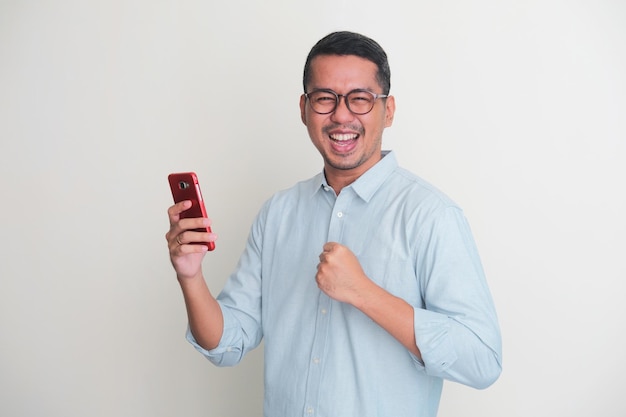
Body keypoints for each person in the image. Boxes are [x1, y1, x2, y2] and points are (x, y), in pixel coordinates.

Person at [166, 31, 502, 417]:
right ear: (304, 108)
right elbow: (227, 343)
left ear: (388, 110)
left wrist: (363, 293)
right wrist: (190, 277)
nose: (341, 115)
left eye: (360, 99)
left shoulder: (431, 216)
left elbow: (482, 358)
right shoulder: (278, 213)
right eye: (325, 98)